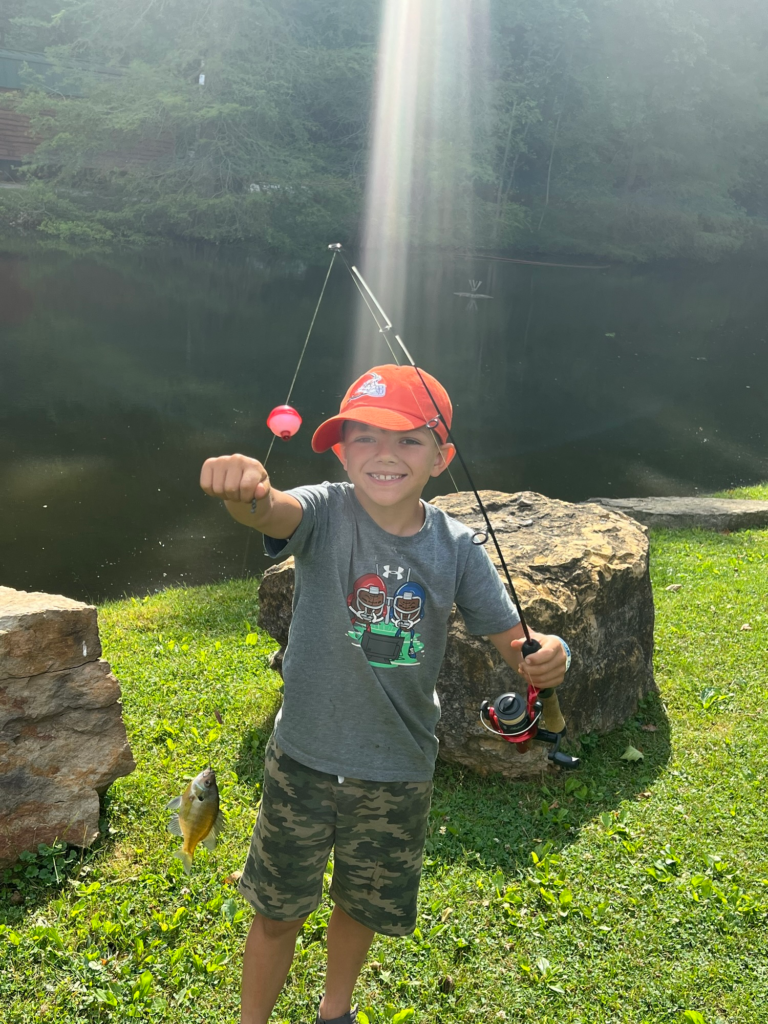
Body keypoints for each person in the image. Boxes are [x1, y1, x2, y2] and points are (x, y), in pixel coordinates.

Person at [199, 364, 570, 1024]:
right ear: (340, 452)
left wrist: (547, 658)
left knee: (360, 904)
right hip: (302, 759)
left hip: (397, 770)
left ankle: (333, 1010)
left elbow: (514, 639)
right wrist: (245, 489)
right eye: (364, 438)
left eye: (407, 440)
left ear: (441, 456)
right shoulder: (322, 511)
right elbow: (269, 508)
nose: (384, 455)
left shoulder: (457, 548)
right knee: (278, 910)